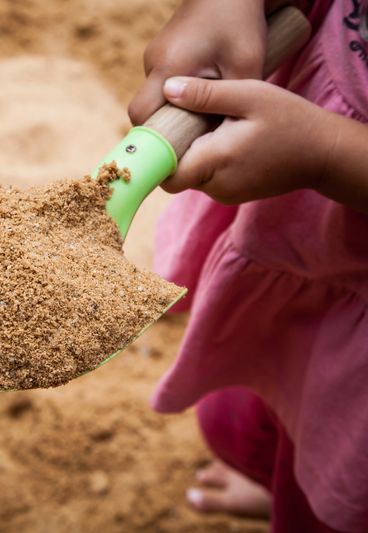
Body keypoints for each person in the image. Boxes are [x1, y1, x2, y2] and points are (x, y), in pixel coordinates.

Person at [127, 0, 368, 531]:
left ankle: (302, 495)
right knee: (267, 387)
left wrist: (327, 151)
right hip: (291, 231)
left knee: (340, 478)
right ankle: (276, 476)